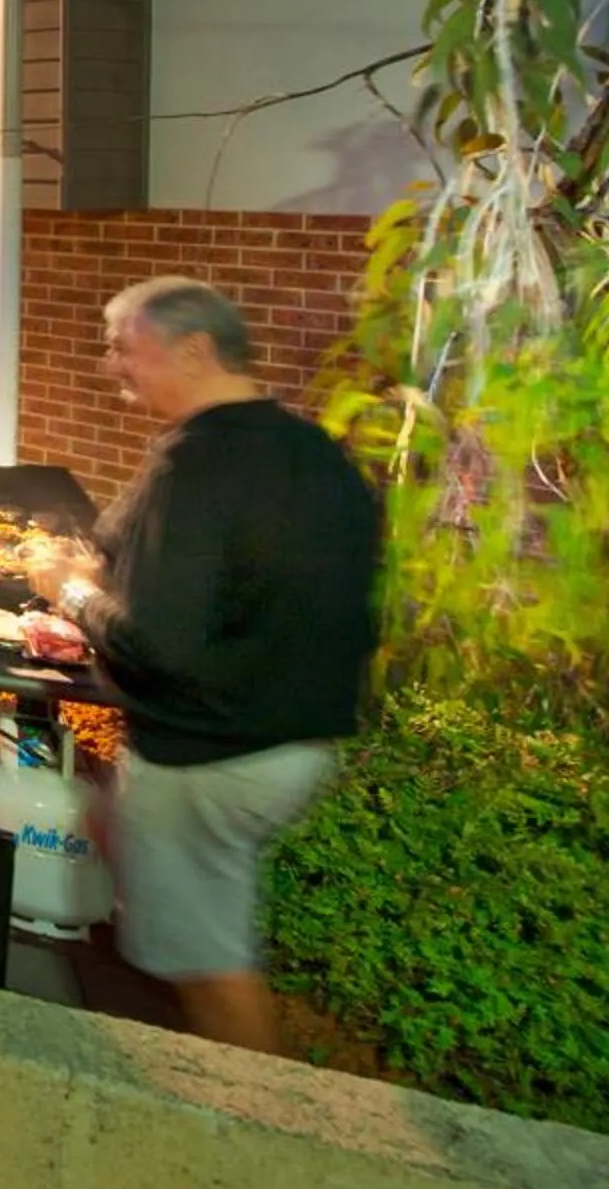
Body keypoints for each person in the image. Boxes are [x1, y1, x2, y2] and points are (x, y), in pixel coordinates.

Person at [29, 278, 382, 1056]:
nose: (110, 363)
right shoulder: (310, 448)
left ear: (194, 350)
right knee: (114, 831)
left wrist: (73, 591)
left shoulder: (196, 466)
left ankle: (257, 1127)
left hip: (210, 756)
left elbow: (159, 645)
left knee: (211, 967)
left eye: (125, 346)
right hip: (292, 743)